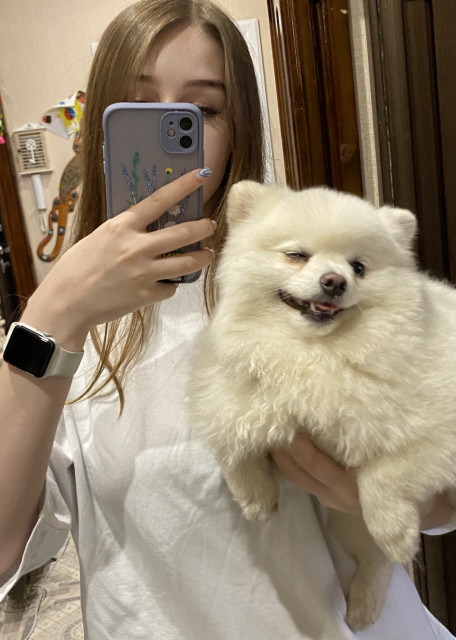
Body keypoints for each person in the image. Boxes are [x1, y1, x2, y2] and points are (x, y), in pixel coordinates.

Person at [0, 1, 455, 638]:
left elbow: (439, 491)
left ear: (237, 127)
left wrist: (388, 496)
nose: (170, 131)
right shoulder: (65, 328)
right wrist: (53, 313)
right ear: (100, 127)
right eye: (138, 106)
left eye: (202, 110)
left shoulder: (318, 283)